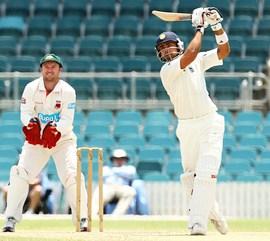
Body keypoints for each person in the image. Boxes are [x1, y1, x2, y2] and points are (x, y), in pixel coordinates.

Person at [155, 7, 230, 235]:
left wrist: (216, 26)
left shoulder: (196, 60)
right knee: (190, 178)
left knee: (206, 172)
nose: (166, 51)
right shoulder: (167, 70)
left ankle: (197, 222)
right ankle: (213, 212)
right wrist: (199, 27)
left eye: (169, 46)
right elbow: (189, 54)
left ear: (177, 45)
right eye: (162, 48)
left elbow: (223, 51)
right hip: (186, 126)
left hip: (210, 122)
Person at [2, 53, 89, 232]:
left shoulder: (68, 91)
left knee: (72, 175)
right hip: (37, 140)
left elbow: (67, 119)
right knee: (19, 173)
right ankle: (10, 219)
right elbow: (25, 113)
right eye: (46, 66)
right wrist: (31, 124)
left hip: (62, 140)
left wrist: (55, 130)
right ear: (41, 69)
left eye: (54, 66)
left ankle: (82, 219)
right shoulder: (31, 88)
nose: (50, 69)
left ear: (60, 70)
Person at [92, 148, 149, 215]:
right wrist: (119, 172)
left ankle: (116, 216)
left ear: (125, 159)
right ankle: (92, 215)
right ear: (113, 159)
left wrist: (114, 171)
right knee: (99, 190)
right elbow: (102, 174)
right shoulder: (106, 169)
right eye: (116, 158)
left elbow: (131, 173)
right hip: (109, 188)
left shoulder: (130, 168)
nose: (119, 160)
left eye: (122, 158)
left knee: (131, 191)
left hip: (122, 188)